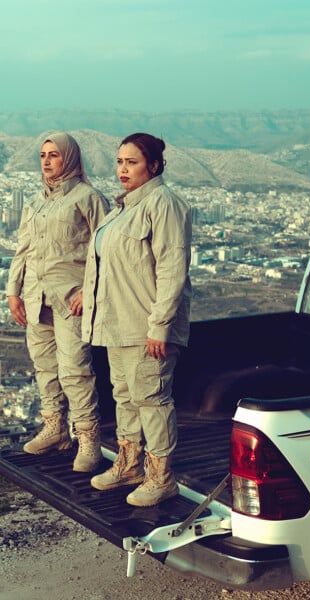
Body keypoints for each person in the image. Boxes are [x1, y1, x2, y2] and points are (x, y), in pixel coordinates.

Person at [81, 132, 192, 506]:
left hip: (147, 326)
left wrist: (160, 325)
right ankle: (129, 465)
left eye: (132, 162)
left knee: (152, 399)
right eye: (119, 162)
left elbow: (172, 269)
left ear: (155, 165)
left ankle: (161, 477)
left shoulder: (164, 204)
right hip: (118, 323)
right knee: (125, 397)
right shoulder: (122, 209)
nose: (122, 169)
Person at [7, 132, 110, 472]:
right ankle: (55, 428)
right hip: (36, 296)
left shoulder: (89, 198)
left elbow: (106, 253)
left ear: (69, 158)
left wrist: (89, 292)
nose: (47, 161)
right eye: (42, 155)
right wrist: (13, 291)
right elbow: (24, 249)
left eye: (54, 155)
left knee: (75, 370)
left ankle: (87, 438)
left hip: (71, 299)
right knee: (44, 366)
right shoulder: (36, 202)